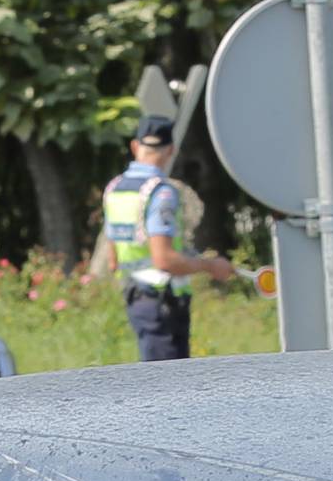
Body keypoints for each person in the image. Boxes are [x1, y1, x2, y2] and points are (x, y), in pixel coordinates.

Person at [96, 115, 235, 361]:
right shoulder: (161, 193)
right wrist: (210, 265)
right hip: (163, 301)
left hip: (136, 298)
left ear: (135, 146)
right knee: (169, 389)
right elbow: (164, 260)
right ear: (170, 150)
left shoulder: (115, 189)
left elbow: (113, 259)